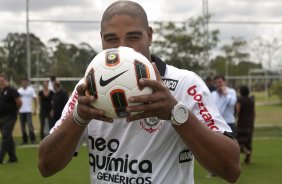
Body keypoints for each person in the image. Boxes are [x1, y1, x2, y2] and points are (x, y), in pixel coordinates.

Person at [38, 1, 241, 183]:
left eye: (133, 37)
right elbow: (45, 166)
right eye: (111, 39)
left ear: (149, 35)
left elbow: (230, 169)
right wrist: (78, 118)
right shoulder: (88, 89)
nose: (123, 48)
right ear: (101, 40)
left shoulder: (184, 84)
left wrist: (176, 113)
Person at [0, 73, 22, 164]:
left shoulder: (12, 90)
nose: (1, 82)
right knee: (8, 137)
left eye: (2, 80)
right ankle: (13, 157)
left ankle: (0, 157)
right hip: (1, 117)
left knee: (5, 136)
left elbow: (19, 102)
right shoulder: (1, 91)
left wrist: (15, 111)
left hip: (10, 117)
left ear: (6, 80)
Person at [236, 85, 255, 164]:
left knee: (239, 140)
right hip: (250, 122)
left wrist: (236, 119)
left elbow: (238, 111)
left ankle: (245, 151)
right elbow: (254, 112)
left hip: (242, 122)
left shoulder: (240, 100)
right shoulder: (251, 100)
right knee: (248, 140)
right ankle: (248, 159)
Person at [18, 78, 37, 144]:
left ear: (27, 83)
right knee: (22, 126)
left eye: (25, 82)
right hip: (21, 111)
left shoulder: (31, 90)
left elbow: (35, 99)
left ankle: (33, 139)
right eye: (23, 83)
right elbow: (17, 101)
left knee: (29, 125)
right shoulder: (19, 91)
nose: (24, 84)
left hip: (28, 111)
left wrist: (35, 109)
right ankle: (25, 140)